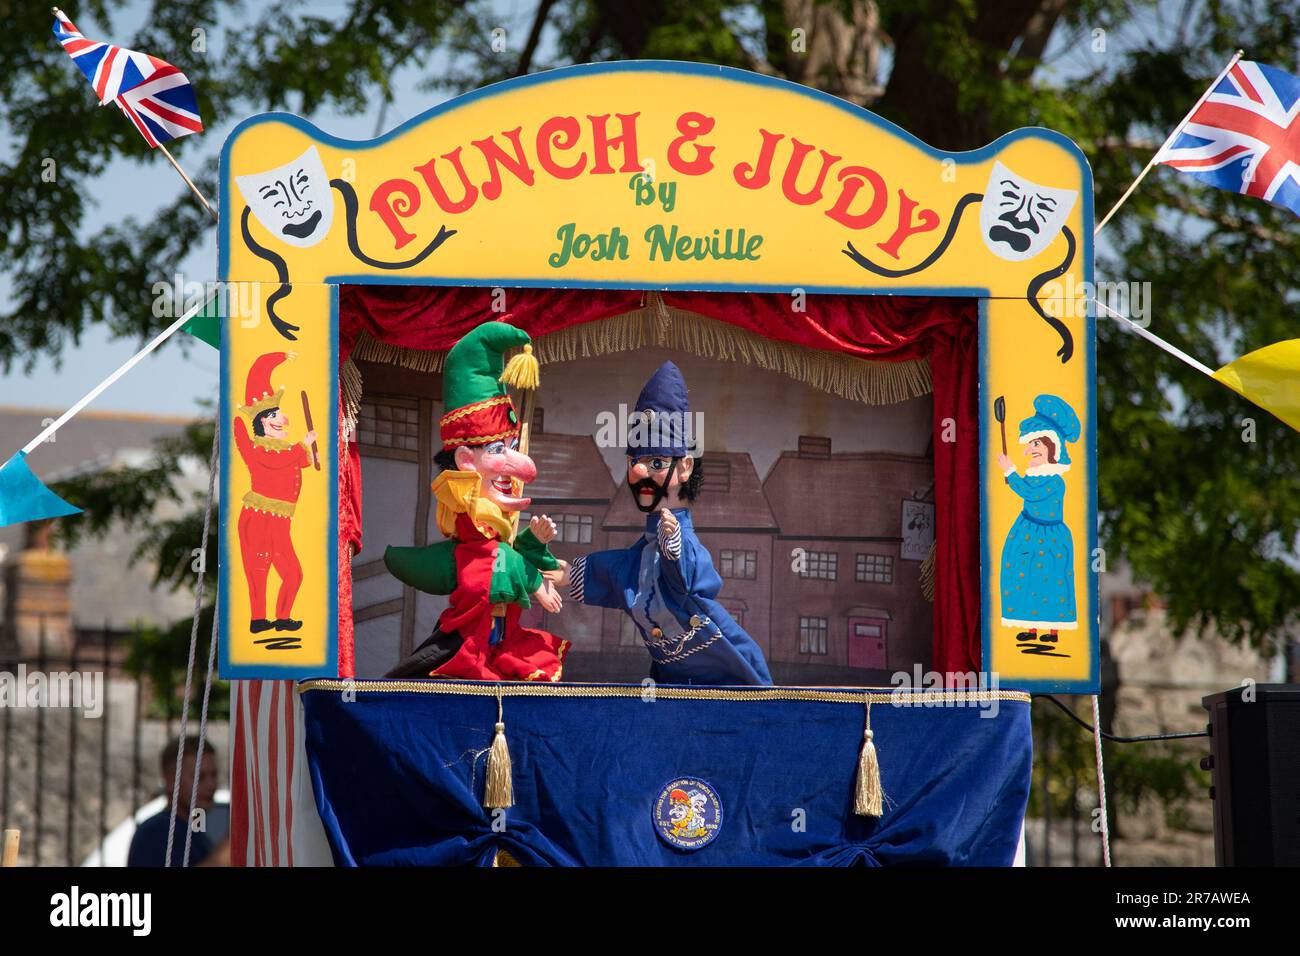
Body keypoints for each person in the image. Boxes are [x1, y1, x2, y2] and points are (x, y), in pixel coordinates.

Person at [555, 361, 772, 685]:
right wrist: (562, 573)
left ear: (684, 467)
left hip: (727, 672)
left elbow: (691, 581)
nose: (639, 472)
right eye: (633, 462)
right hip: (674, 677)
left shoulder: (681, 542)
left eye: (655, 462)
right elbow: (620, 572)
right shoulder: (642, 554)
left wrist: (674, 549)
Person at [384, 321, 569, 681]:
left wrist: (535, 542)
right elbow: (483, 569)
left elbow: (505, 552)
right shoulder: (471, 527)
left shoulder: (494, 524)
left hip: (501, 637)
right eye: (499, 451)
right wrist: (534, 581)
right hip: (470, 642)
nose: (522, 468)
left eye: (511, 449)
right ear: (467, 461)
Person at [233, 351, 317, 640]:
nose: (283, 419)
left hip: (281, 520)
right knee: (258, 570)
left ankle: (282, 618)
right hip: (259, 518)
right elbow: (281, 462)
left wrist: (307, 447)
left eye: (279, 413)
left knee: (292, 573)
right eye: (275, 415)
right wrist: (302, 446)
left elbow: (303, 462)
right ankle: (258, 619)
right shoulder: (260, 450)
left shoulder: (285, 449)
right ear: (262, 422)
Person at [995, 393, 1081, 649]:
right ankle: (1031, 628)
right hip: (1026, 529)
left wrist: (1010, 471)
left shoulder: (1055, 481)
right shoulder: (1033, 474)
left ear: (1052, 448)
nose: (1029, 450)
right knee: (1025, 578)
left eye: (1036, 445)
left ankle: (1053, 631)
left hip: (1050, 536)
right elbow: (1025, 488)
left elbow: (1031, 493)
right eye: (1029, 444)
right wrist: (1012, 475)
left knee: (1052, 581)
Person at [127, 736, 228, 867]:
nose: (211, 784)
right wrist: (223, 855)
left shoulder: (195, 832)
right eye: (199, 777)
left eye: (213, 775)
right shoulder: (155, 834)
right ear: (170, 781)